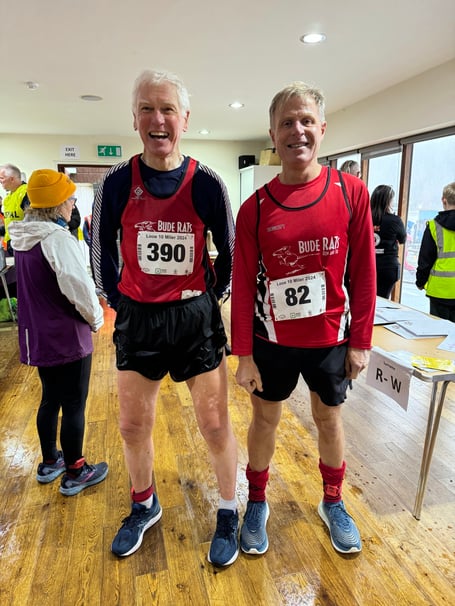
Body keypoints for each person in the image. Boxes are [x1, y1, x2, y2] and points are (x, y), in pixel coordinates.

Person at [90, 69, 239, 566]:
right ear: (134, 119)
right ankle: (144, 503)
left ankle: (228, 509)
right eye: (147, 109)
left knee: (214, 424)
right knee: (133, 425)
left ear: (185, 119)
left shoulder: (208, 182)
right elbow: (100, 250)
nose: (158, 119)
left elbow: (231, 251)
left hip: (195, 318)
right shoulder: (115, 183)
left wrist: (211, 298)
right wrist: (119, 301)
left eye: (168, 109)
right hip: (139, 318)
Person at [231, 82, 376, 556]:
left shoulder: (351, 193)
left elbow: (364, 274)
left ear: (322, 129)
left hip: (330, 341)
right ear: (273, 134)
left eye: (306, 121)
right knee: (264, 421)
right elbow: (241, 285)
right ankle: (257, 501)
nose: (298, 131)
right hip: (271, 341)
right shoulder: (254, 208)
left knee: (328, 421)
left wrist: (361, 342)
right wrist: (244, 356)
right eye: (287, 123)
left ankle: (333, 502)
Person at [8, 169, 108, 495]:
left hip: (38, 333)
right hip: (67, 335)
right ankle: (76, 470)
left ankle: (51, 460)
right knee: (74, 403)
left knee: (50, 398)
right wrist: (96, 319)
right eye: (70, 199)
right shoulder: (57, 239)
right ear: (57, 204)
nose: (73, 204)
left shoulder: (22, 237)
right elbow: (78, 288)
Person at [416, 182, 455, 321]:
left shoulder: (433, 226)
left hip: (440, 291)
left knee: (439, 331)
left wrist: (420, 281)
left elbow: (425, 259)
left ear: (444, 200)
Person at [370, 185, 407, 298]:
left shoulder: (364, 218)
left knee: (368, 298)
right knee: (383, 299)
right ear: (388, 201)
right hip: (388, 267)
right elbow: (402, 239)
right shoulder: (395, 220)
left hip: (368, 265)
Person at [0, 163, 29, 254]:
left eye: (2, 178)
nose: (0, 181)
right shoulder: (8, 197)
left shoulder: (26, 193)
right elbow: (10, 220)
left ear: (12, 179)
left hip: (24, 245)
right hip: (11, 243)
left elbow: (33, 222)